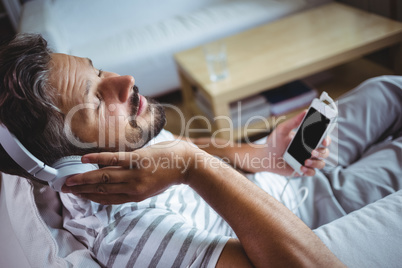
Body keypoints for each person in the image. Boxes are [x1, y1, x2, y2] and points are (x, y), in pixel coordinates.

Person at [0, 33, 400, 267]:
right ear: (72, 167)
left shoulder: (123, 142)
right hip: (311, 212)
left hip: (280, 173)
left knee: (387, 88)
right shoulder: (130, 232)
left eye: (99, 71)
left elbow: (179, 146)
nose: (125, 81)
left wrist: (260, 156)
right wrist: (192, 168)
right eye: (97, 98)